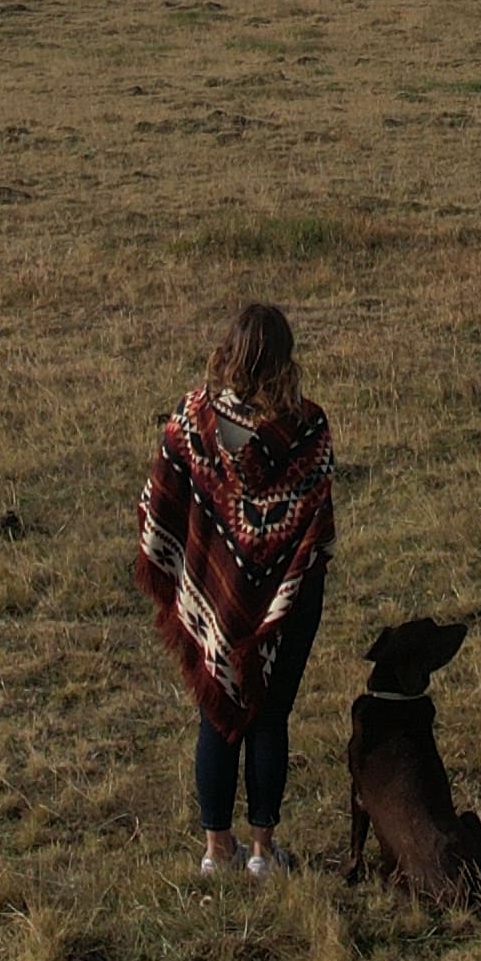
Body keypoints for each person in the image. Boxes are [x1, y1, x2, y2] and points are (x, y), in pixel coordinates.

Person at [134, 299, 339, 876]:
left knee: (216, 710)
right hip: (289, 602)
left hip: (212, 596)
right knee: (271, 716)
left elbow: (159, 503)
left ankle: (215, 851)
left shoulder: (192, 419)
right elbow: (318, 522)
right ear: (285, 358)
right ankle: (261, 850)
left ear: (231, 350)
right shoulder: (306, 427)